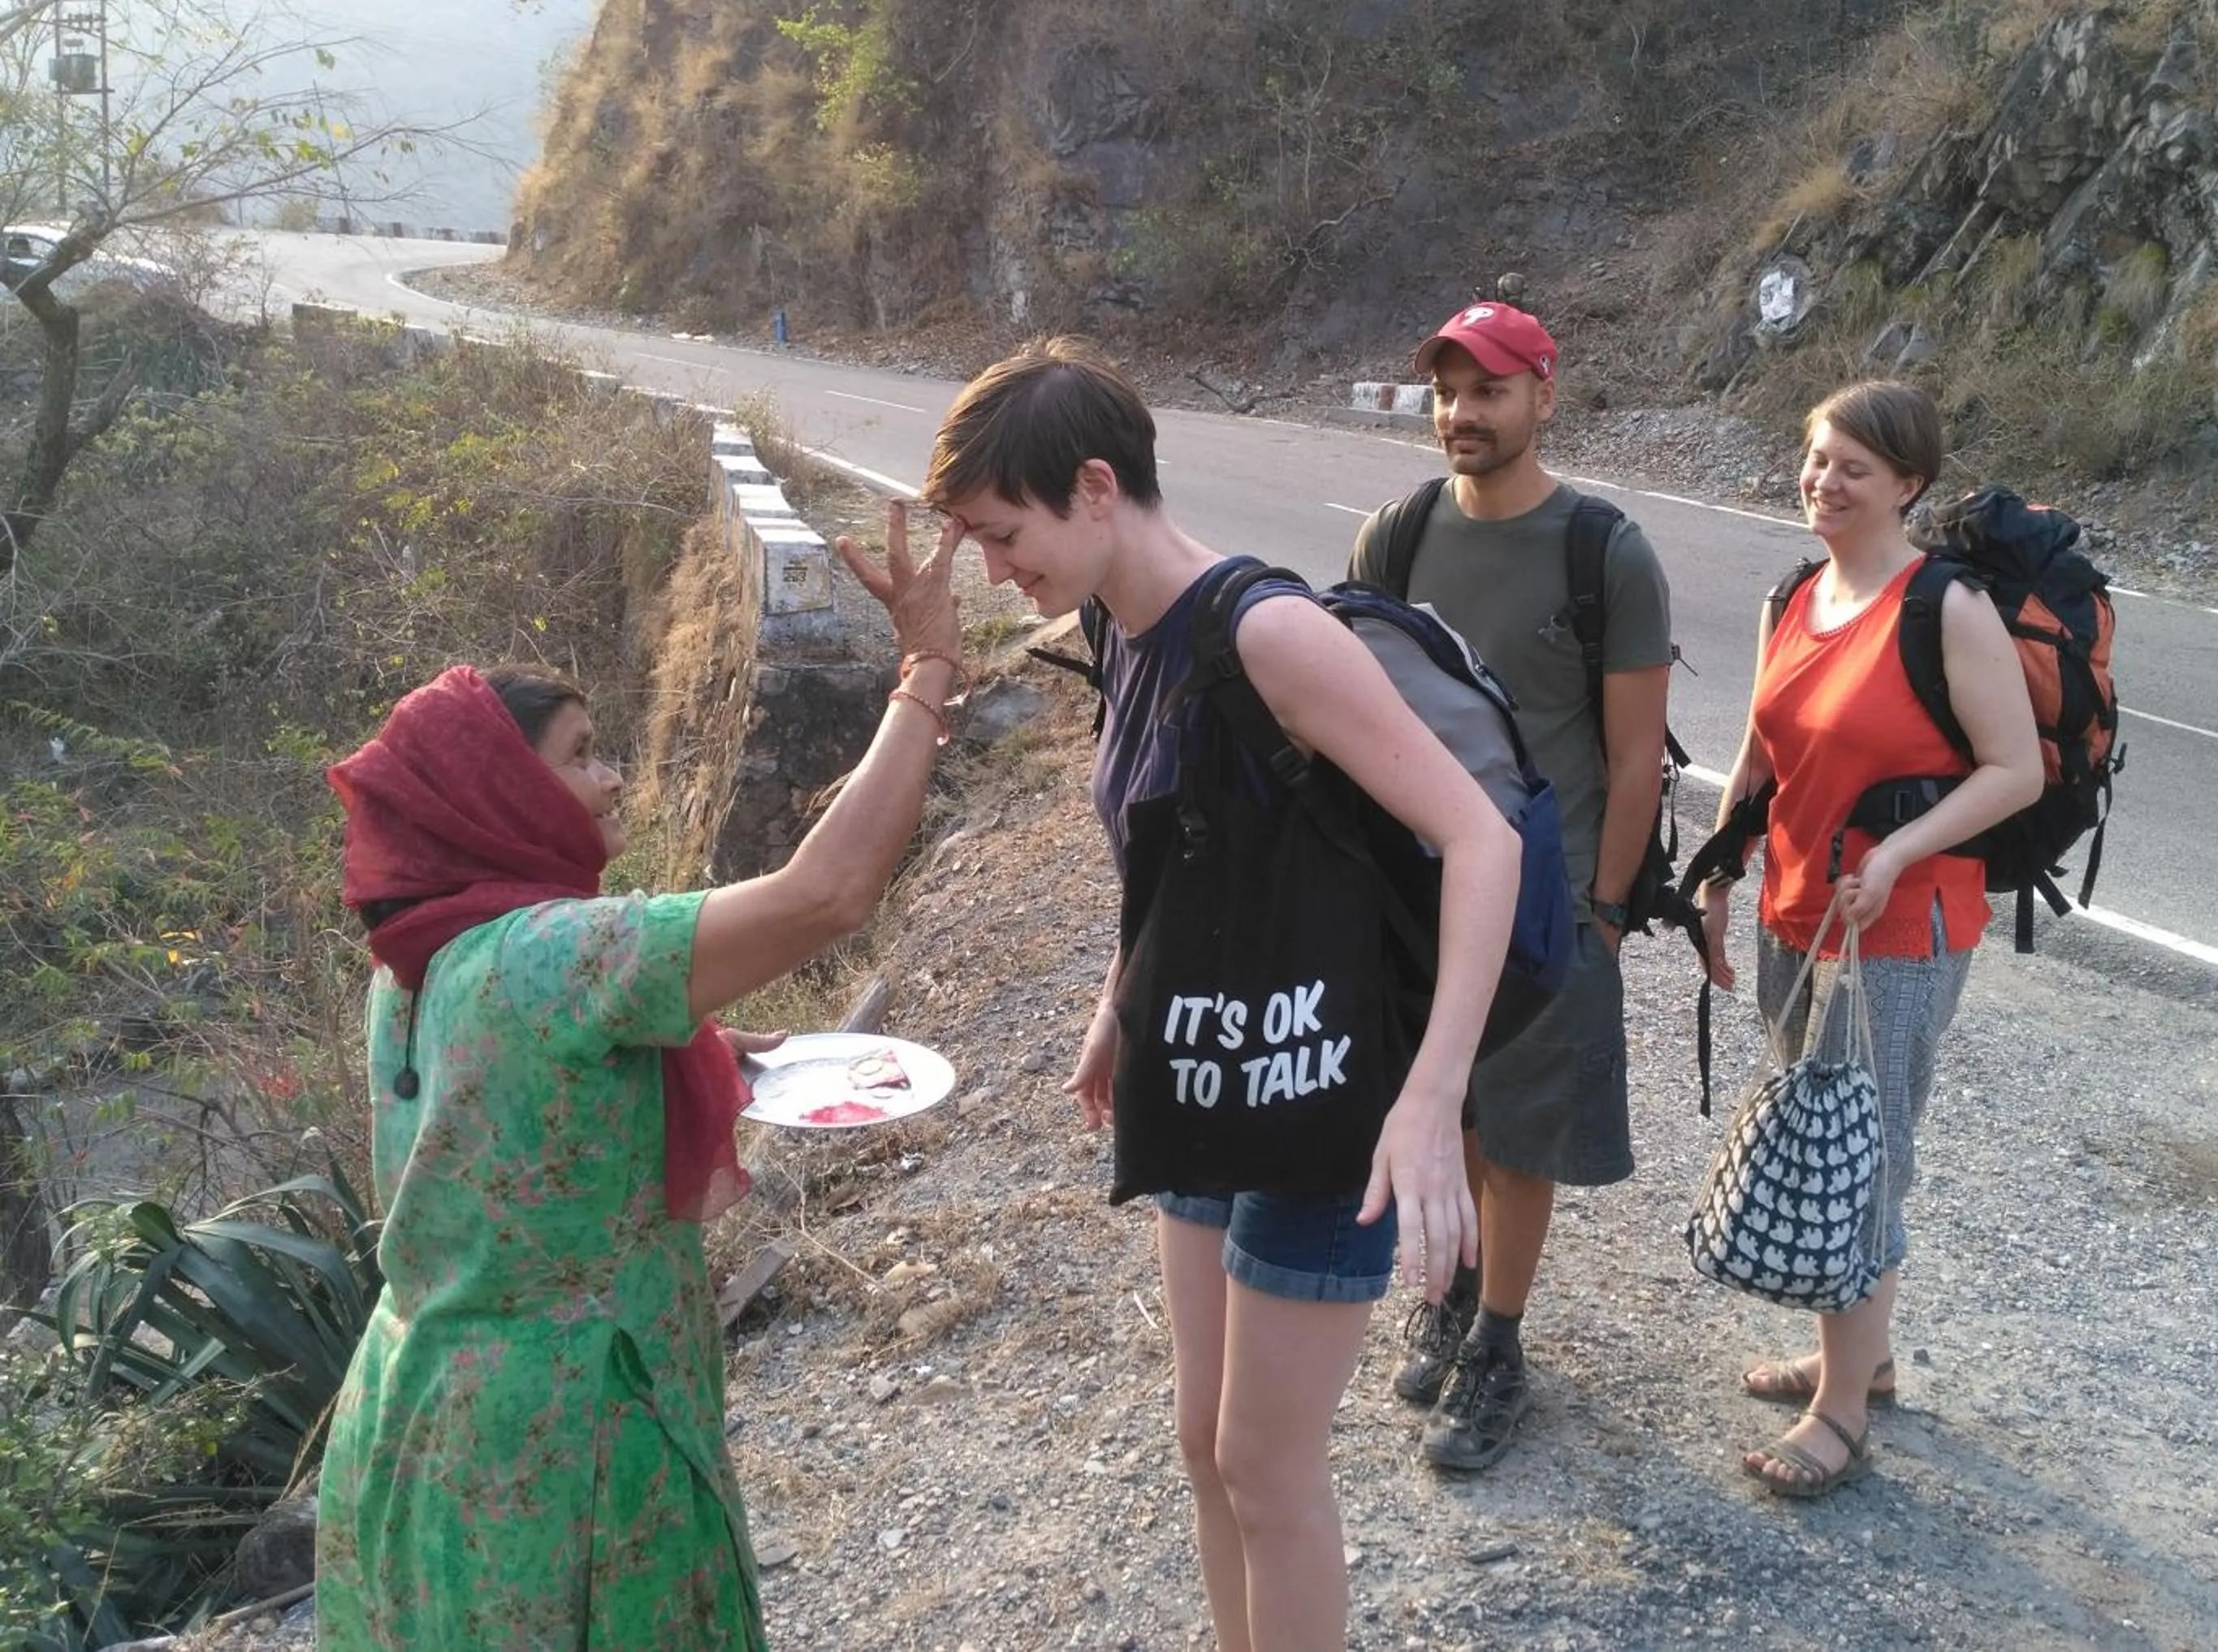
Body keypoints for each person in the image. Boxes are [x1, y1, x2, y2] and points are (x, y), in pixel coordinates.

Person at [922, 338, 1519, 1652]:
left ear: (1095, 486)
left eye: (1003, 533)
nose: (997, 569)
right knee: (1204, 1441)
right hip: (1199, 1070)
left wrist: (1431, 1103)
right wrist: (1117, 1003)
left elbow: (1484, 839)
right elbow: (1177, 850)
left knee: (1266, 1463)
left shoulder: (1268, 634)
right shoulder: (1116, 626)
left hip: (1324, 1090)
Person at [314, 503, 966, 1650]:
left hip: (420, 1416)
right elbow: (827, 895)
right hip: (576, 1431)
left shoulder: (416, 960)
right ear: (495, 797)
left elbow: (520, 1095)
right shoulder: (558, 951)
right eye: (579, 758)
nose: (612, 780)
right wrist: (926, 671)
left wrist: (702, 1044)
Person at [1695, 379, 2040, 1497]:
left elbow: (2015, 771)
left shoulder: (1945, 607)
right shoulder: (1795, 593)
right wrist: (1717, 875)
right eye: (1817, 457)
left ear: (1908, 484)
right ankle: (1863, 1356)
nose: (1825, 481)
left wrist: (1896, 854)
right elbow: (1760, 756)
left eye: (1854, 467)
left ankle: (1842, 1410)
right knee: (1825, 1130)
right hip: (1799, 909)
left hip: (1898, 925)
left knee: (1865, 1150)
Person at [1346, 301, 1674, 1473]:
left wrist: (1606, 911)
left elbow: (1635, 756)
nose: (1461, 414)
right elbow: (1360, 711)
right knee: (1454, 1108)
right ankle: (1455, 1291)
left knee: (1525, 1132)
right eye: (1447, 392)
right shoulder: (1394, 537)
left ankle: (1498, 1341)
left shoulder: (1606, 553)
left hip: (1548, 901)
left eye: (1487, 390)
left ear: (1544, 395)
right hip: (1421, 894)